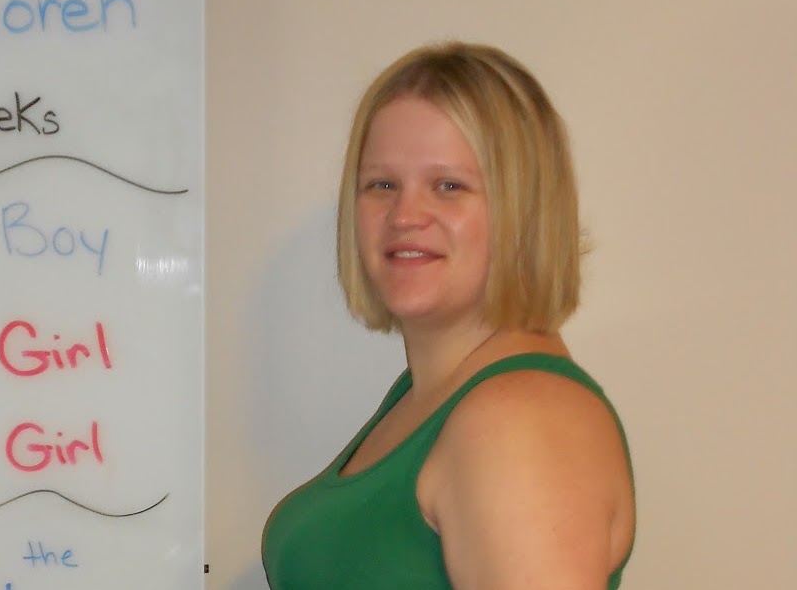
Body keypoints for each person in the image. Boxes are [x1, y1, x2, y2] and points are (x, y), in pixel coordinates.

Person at [261, 42, 635, 590]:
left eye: (449, 186)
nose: (405, 215)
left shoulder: (518, 422)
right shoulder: (427, 397)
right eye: (382, 184)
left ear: (523, 210)